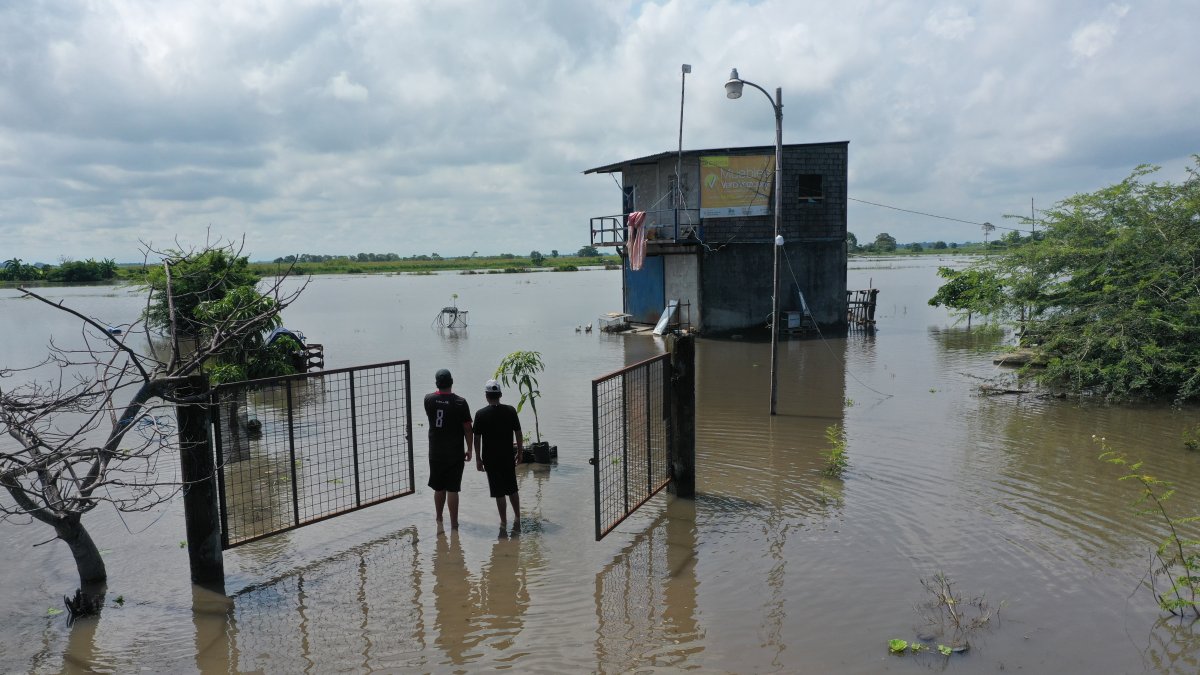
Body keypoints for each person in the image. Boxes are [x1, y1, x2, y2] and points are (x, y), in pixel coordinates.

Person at [424, 368, 472, 531]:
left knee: (439, 487)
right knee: (453, 488)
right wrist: (470, 449)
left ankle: (439, 518)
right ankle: (454, 523)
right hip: (455, 452)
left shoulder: (428, 399)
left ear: (437, 383)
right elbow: (467, 428)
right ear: (451, 382)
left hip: (436, 452)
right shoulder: (460, 402)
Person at [472, 379, 523, 532]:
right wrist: (520, 453)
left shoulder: (480, 414)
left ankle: (503, 522)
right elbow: (518, 433)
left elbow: (477, 438)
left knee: (499, 492)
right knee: (512, 488)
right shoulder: (510, 411)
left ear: (486, 396)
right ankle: (518, 518)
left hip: (490, 459)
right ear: (500, 394)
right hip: (507, 456)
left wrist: (478, 459)